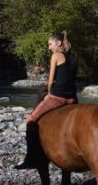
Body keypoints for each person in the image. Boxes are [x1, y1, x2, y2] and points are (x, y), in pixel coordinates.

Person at [15, 31, 77, 170]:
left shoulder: (56, 55)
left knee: (30, 120)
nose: (49, 47)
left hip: (58, 97)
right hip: (72, 98)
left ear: (59, 43)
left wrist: (49, 93)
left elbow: (50, 81)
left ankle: (31, 158)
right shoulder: (73, 57)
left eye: (50, 44)